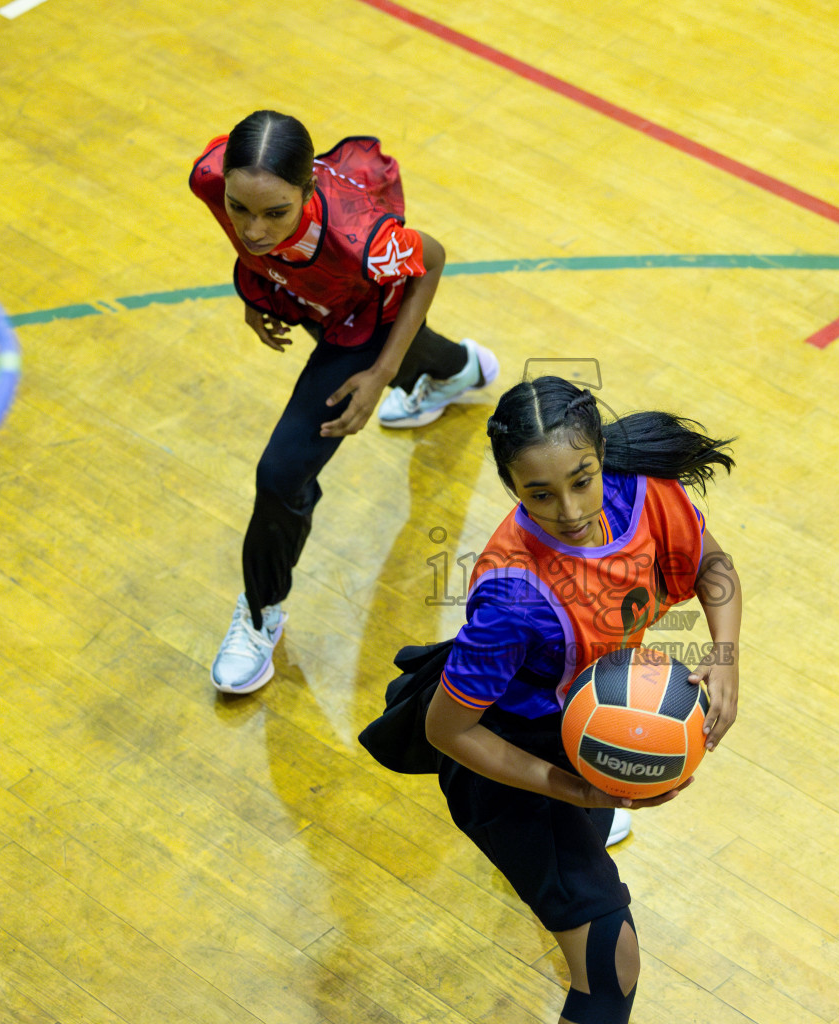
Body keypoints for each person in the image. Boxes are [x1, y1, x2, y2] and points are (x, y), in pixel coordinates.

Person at [361, 376, 742, 1023]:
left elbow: (713, 564)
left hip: (584, 727)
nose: (568, 510)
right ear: (510, 488)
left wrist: (725, 656)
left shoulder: (645, 494)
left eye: (580, 480)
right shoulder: (512, 596)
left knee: (575, 876)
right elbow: (449, 731)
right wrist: (575, 791)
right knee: (611, 964)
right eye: (538, 494)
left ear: (600, 456)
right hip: (505, 759)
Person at [190, 110, 499, 693]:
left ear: (308, 190)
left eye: (275, 213)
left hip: (362, 318)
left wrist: (380, 373)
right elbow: (254, 243)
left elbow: (429, 263)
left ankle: (260, 615)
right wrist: (256, 289)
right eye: (240, 210)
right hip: (311, 296)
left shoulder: (362, 240)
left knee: (280, 474)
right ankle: (461, 370)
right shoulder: (211, 176)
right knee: (416, 354)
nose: (253, 230)